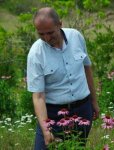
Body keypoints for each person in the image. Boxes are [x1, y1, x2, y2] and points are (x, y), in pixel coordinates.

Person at [27, 7, 100, 149]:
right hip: (53, 115)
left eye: (50, 32)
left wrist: (94, 101)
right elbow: (38, 96)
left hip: (82, 110)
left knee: (77, 147)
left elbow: (87, 68)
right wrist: (46, 129)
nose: (47, 38)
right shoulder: (36, 53)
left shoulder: (76, 37)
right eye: (41, 34)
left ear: (60, 24)